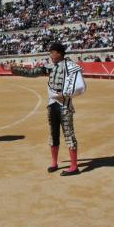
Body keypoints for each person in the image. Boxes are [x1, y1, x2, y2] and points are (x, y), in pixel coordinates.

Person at [46, 43, 86, 176]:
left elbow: (81, 87)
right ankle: (54, 162)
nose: (50, 55)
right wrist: (14, 69)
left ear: (59, 53)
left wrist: (64, 95)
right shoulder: (51, 67)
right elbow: (34, 72)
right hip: (52, 104)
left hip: (65, 105)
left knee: (69, 134)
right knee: (53, 134)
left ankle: (74, 166)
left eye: (52, 52)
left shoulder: (71, 67)